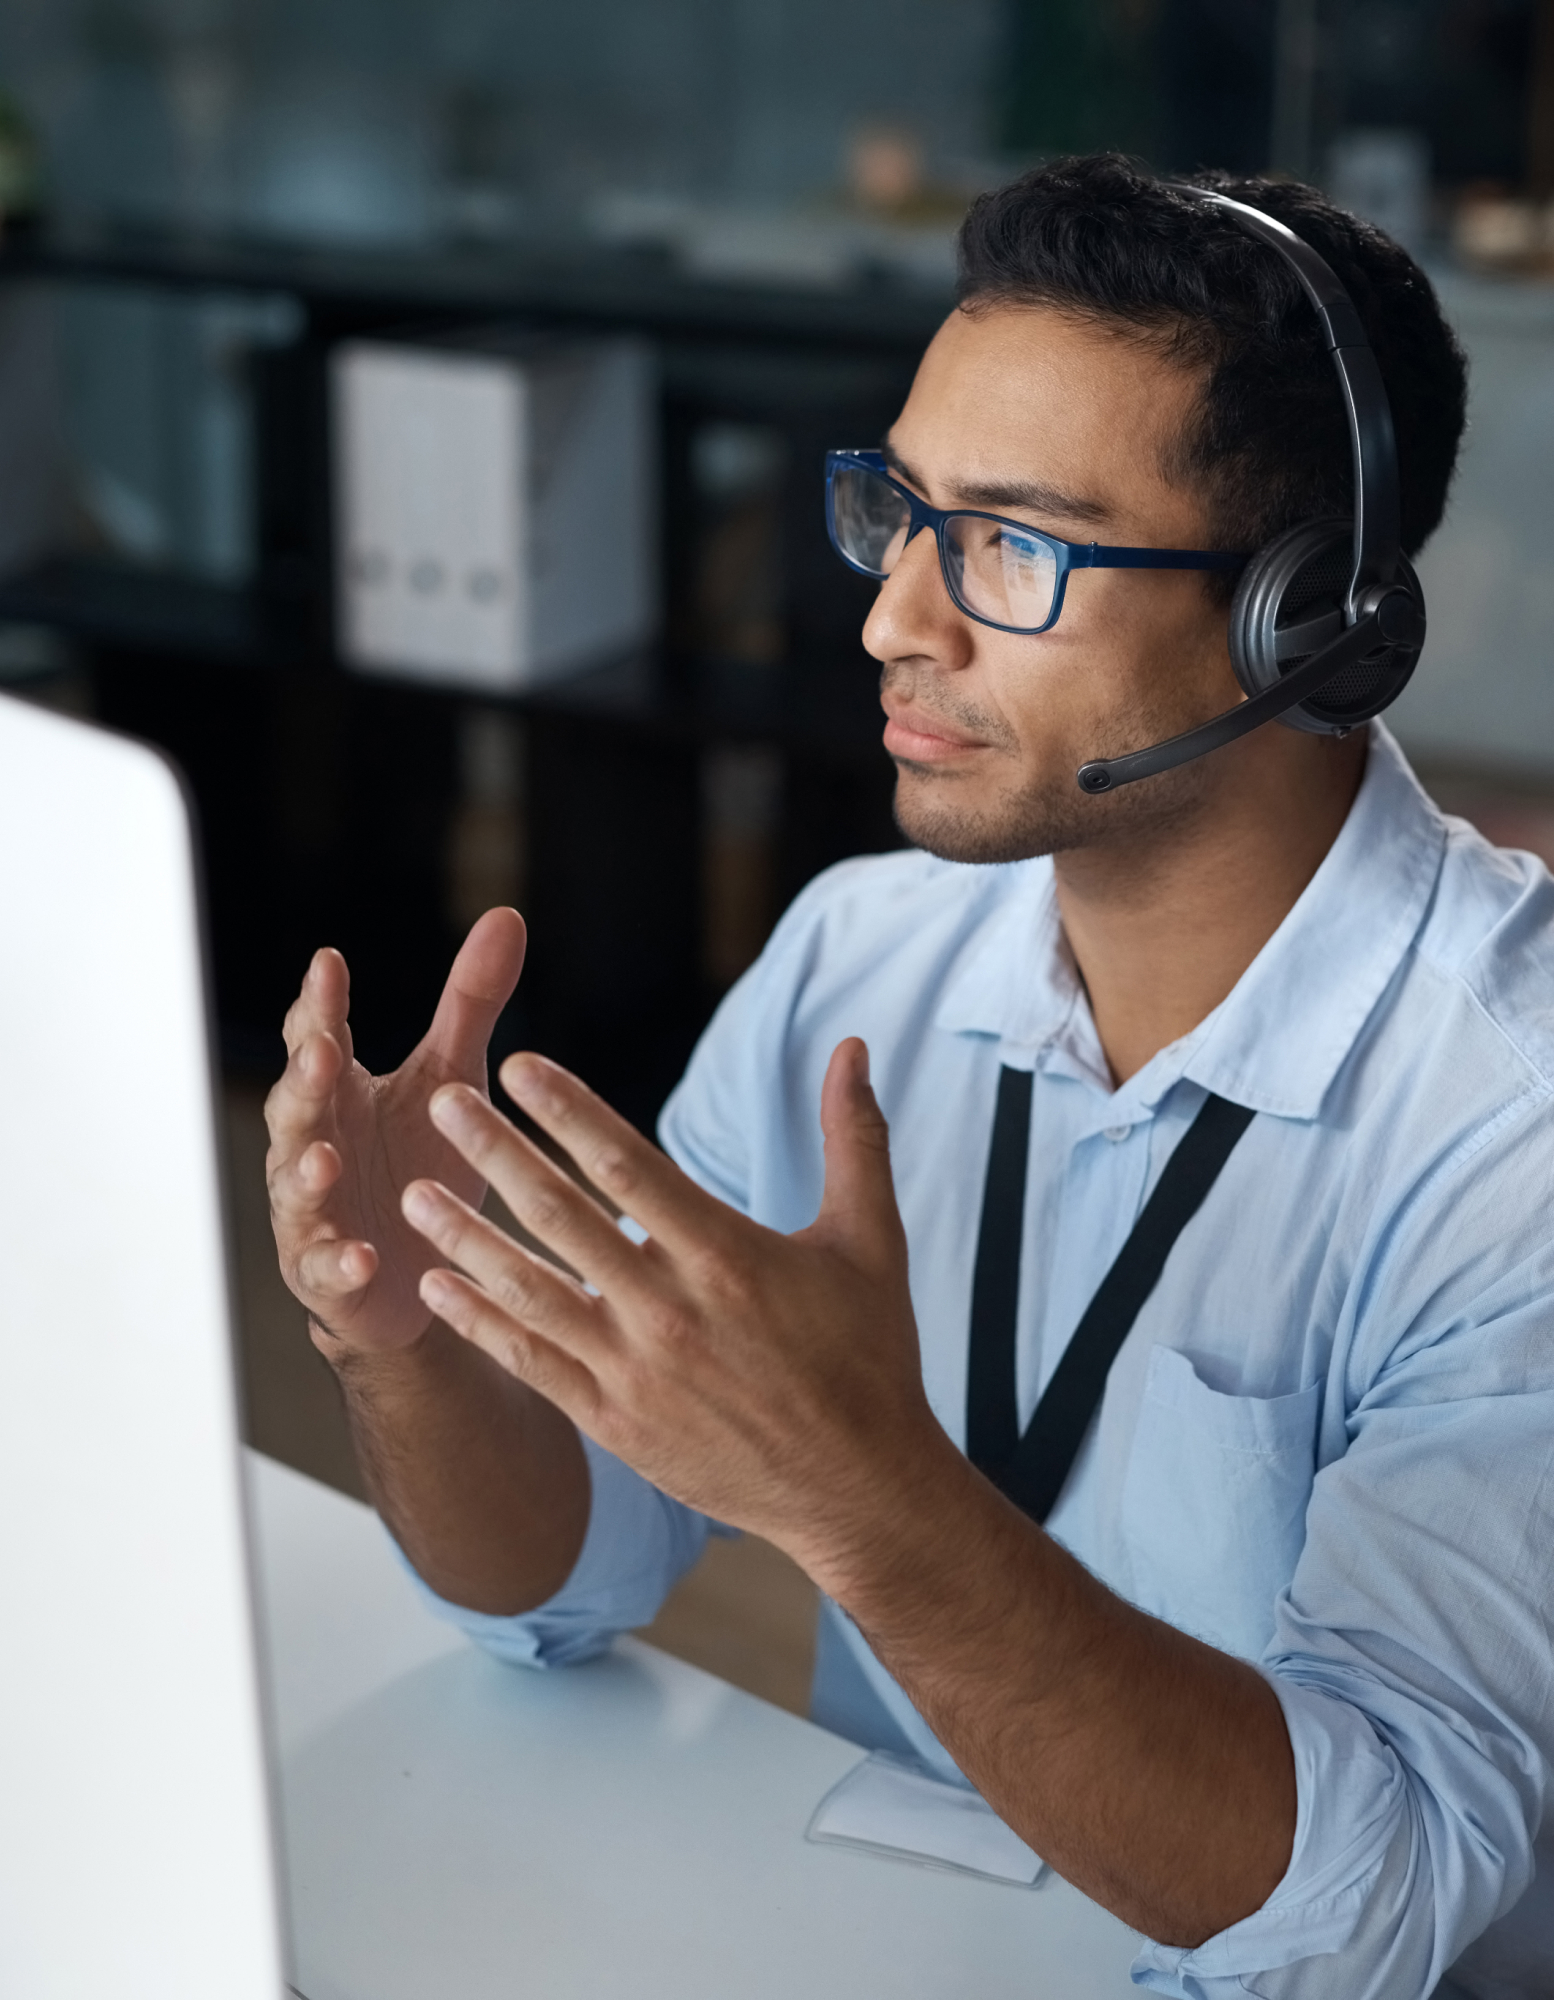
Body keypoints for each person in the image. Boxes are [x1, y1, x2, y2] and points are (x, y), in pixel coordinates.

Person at [266, 156, 1554, 1998]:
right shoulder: (861, 955)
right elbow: (574, 1570)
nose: (892, 618)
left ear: (1304, 624)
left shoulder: (1512, 1127)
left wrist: (861, 1493)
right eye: (899, 511)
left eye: (1013, 548)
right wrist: (406, 1351)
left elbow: (1371, 1909)